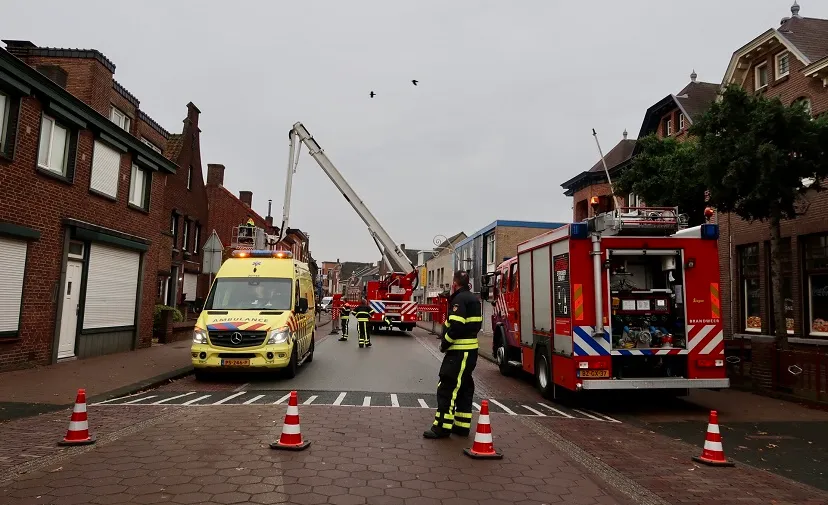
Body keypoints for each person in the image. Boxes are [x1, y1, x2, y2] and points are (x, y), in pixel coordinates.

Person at [424, 271, 482, 439]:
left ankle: (441, 427)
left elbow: (456, 326)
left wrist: (444, 343)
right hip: (470, 352)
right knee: (463, 387)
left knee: (447, 387)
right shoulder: (473, 299)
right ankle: (462, 426)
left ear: (455, 284)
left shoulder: (459, 300)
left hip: (458, 352)